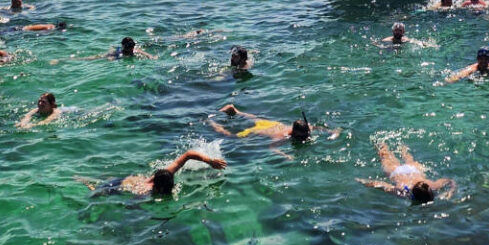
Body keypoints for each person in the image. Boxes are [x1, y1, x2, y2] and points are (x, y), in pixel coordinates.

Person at [76, 149, 227, 196]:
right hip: (119, 187)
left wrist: (210, 161)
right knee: (96, 191)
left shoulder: (165, 174)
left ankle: (82, 178)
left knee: (102, 181)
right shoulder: (143, 192)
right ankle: (81, 181)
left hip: (127, 178)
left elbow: (188, 155)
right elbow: (131, 205)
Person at [356, 141, 456, 202]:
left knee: (397, 155)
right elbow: (381, 184)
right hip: (397, 172)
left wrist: (450, 191)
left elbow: (449, 181)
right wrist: (362, 181)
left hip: (413, 169)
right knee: (385, 155)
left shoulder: (431, 184)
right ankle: (386, 145)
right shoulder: (403, 191)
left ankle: (399, 147)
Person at [208, 103, 339, 145]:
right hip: (259, 130)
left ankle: (235, 111)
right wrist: (285, 155)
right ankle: (212, 122)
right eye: (303, 136)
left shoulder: (305, 127)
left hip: (270, 124)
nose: (306, 137)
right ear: (294, 133)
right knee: (232, 136)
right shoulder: (282, 136)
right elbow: (273, 148)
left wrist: (332, 132)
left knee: (255, 118)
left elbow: (316, 127)